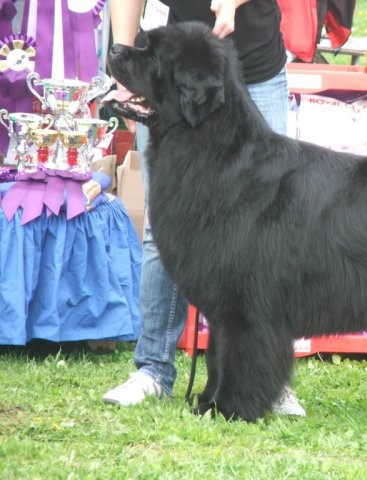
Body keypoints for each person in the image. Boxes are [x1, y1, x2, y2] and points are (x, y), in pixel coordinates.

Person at [103, 0, 305, 417]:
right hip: (179, 63)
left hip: (256, 64)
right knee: (165, 227)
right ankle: (154, 369)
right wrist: (125, 64)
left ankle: (267, 379)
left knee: (264, 234)